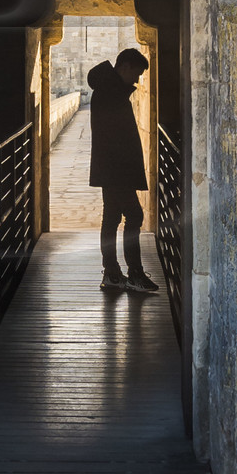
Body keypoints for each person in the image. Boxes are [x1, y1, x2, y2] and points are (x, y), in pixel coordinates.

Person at [87, 47, 159, 295]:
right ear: (125, 67)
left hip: (111, 169)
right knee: (134, 216)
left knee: (111, 219)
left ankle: (112, 273)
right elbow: (116, 138)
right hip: (117, 170)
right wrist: (126, 172)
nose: (136, 80)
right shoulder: (111, 94)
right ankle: (134, 274)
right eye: (136, 74)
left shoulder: (108, 91)